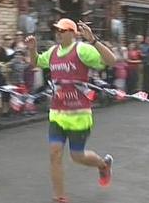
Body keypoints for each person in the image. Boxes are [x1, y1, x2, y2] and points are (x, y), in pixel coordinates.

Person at [25, 18, 116, 203]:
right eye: (57, 29)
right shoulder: (52, 52)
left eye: (63, 29)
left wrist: (93, 40)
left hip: (79, 115)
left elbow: (111, 61)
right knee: (55, 155)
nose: (58, 32)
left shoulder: (82, 49)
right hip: (57, 114)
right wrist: (32, 48)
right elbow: (36, 63)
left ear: (73, 33)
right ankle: (59, 198)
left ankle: (103, 165)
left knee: (77, 156)